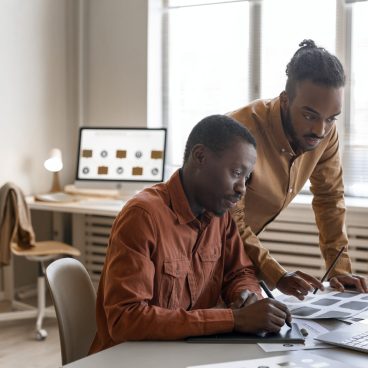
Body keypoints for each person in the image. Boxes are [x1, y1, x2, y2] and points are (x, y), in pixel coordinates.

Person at [89, 115, 291, 354]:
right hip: (131, 358)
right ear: (200, 157)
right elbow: (125, 320)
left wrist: (248, 297)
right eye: (236, 172)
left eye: (246, 178)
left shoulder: (220, 215)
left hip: (187, 353)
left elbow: (240, 272)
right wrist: (234, 319)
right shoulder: (143, 216)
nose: (242, 189)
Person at [230, 39, 368, 300]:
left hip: (234, 252)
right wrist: (277, 274)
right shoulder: (240, 132)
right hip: (192, 247)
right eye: (309, 115)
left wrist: (339, 270)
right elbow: (229, 219)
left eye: (330, 118)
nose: (320, 130)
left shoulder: (326, 133)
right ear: (284, 101)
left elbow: (329, 199)